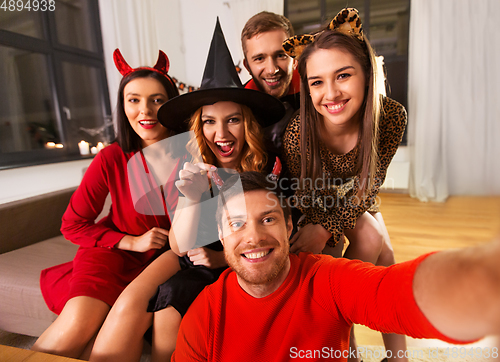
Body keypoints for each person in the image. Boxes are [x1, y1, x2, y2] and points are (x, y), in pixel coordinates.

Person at [89, 19, 285, 362]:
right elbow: (181, 245)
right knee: (164, 300)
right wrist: (193, 195)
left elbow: (278, 237)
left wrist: (223, 259)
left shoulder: (270, 166)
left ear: (248, 123)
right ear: (199, 126)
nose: (220, 133)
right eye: (209, 121)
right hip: (197, 259)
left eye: (233, 119)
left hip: (244, 259)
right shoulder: (195, 167)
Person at [172, 171, 500, 361]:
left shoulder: (327, 279)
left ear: (289, 227)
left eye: (267, 219)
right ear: (220, 235)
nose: (254, 237)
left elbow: (400, 295)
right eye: (237, 224)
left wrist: (486, 279)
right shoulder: (204, 318)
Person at [30, 50, 183, 359]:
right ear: (122, 105)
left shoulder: (196, 155)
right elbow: (72, 224)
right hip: (112, 255)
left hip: (165, 264)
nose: (146, 110)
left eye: (157, 99)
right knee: (77, 323)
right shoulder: (111, 158)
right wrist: (129, 241)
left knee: (98, 345)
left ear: (172, 104)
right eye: (134, 100)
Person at [282, 8, 408, 360]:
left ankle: (395, 356)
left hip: (359, 197)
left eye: (343, 76)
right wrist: (324, 230)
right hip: (316, 202)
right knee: (371, 244)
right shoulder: (299, 131)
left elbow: (370, 185)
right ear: (307, 86)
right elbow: (305, 193)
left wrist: (329, 227)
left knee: (381, 252)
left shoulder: (391, 117)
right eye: (317, 81)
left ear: (367, 75)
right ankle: (342, 342)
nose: (331, 93)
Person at [241, 11, 301, 155]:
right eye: (259, 58)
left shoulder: (317, 93)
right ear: (247, 66)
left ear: (295, 59)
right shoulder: (238, 107)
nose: (272, 70)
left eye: (280, 55)